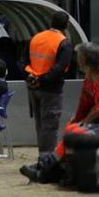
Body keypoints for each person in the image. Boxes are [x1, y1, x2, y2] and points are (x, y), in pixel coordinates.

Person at [20, 49, 99, 184]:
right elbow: (90, 106)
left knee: (77, 133)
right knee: (73, 129)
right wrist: (80, 121)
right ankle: (56, 172)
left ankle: (49, 170)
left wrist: (85, 123)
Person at [25, 11, 73, 159]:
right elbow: (60, 68)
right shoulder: (64, 42)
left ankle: (42, 155)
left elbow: (23, 60)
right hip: (51, 89)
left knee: (40, 124)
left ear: (50, 22)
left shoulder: (36, 38)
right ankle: (47, 159)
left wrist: (31, 77)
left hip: (33, 87)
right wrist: (43, 79)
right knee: (50, 125)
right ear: (66, 25)